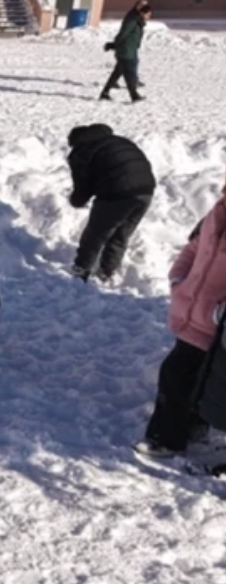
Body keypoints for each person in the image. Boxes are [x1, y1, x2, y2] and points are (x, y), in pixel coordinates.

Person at [134, 181, 226, 458]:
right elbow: (195, 247)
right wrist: (179, 277)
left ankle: (166, 439)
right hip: (194, 311)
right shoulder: (218, 210)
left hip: (217, 322)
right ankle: (190, 429)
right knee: (190, 377)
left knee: (180, 376)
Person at [65, 124, 155, 284]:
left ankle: (81, 269)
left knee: (95, 234)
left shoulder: (82, 151)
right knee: (121, 234)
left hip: (117, 192)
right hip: (146, 190)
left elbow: (82, 186)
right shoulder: (117, 140)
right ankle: (106, 272)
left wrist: (76, 201)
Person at [101, 3, 150, 103]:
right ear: (141, 13)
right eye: (147, 14)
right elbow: (123, 34)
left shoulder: (138, 22)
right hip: (126, 51)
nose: (149, 16)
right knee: (129, 74)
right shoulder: (132, 21)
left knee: (117, 73)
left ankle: (105, 93)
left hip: (130, 50)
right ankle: (134, 95)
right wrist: (114, 45)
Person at [122, 0, 149, 87]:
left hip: (133, 43)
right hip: (129, 43)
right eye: (142, 5)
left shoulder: (139, 15)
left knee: (124, 64)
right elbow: (126, 30)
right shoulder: (133, 16)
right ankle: (134, 80)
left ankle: (115, 81)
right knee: (133, 62)